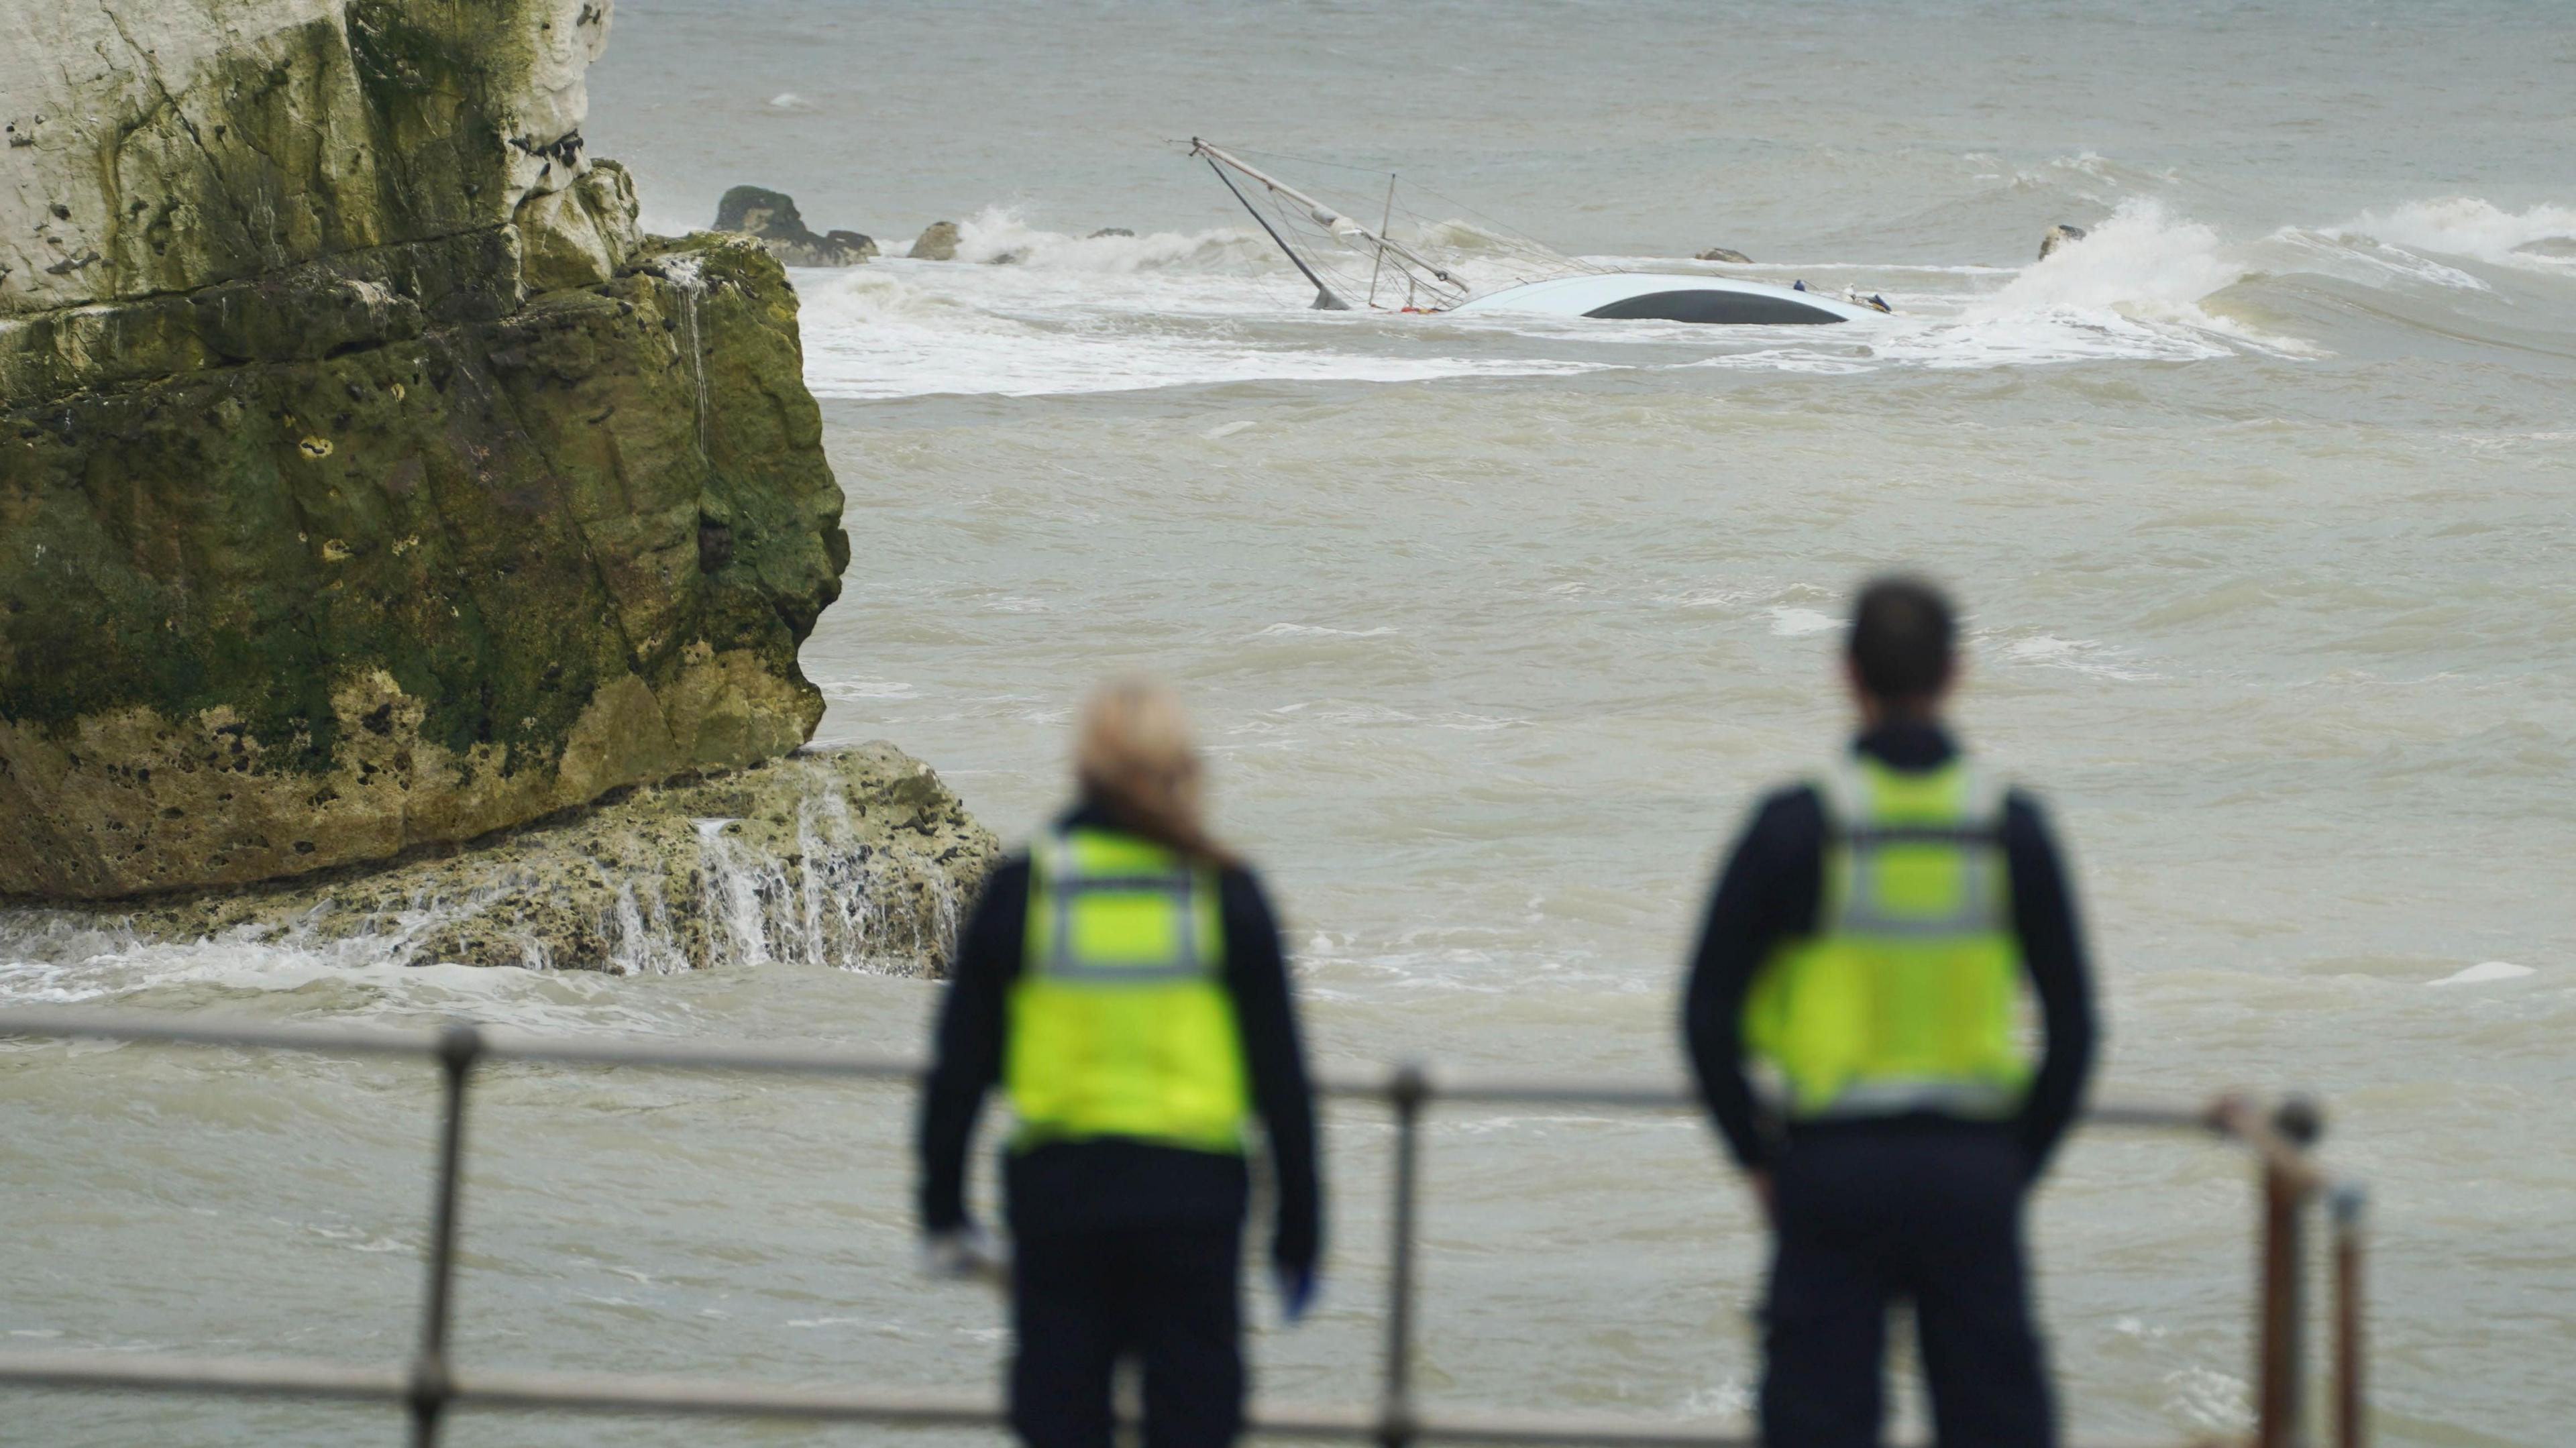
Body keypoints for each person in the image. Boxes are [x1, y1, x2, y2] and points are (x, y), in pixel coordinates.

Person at [1681, 575, 2098, 1448]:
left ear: (1847, 674)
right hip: (1971, 1165)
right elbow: (2075, 1023)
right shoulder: (2009, 825)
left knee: (1817, 1421)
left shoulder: (1796, 825)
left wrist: (1755, 1155)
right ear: (1956, 672)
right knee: (1995, 1422)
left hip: (1832, 1166)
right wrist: (2022, 1159)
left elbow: (1705, 1010)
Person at [916, 678, 1323, 1448]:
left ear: (1083, 768)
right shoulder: (1225, 891)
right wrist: (1298, 1232)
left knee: (1062, 1419)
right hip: (1195, 1200)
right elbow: (1283, 1081)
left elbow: (959, 1066)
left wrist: (943, 1206)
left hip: (1060, 1197)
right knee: (1194, 1421)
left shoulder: (1028, 886)